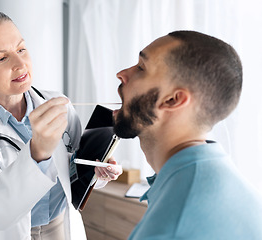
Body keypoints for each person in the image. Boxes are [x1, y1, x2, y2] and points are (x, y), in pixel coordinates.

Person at [0, 10, 122, 240]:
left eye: (21, 49)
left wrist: (98, 173)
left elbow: (76, 172)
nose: (20, 65)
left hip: (61, 226)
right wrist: (37, 152)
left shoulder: (57, 103)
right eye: (2, 58)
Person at [112, 30, 262, 239]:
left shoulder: (175, 222)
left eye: (141, 67)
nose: (122, 73)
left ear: (173, 100)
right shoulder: (207, 176)